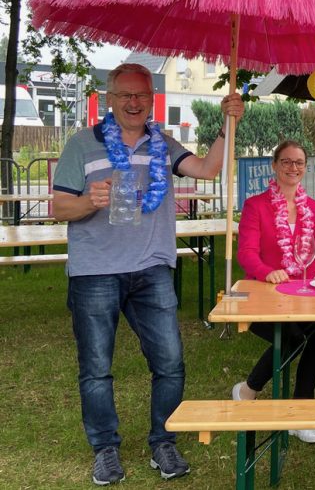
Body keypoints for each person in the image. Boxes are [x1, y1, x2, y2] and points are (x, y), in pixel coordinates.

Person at [52, 63, 243, 485]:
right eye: (126, 95)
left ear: (151, 99)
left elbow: (209, 169)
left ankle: (164, 440)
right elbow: (57, 206)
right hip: (95, 272)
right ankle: (105, 449)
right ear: (110, 100)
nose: (135, 102)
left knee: (171, 362)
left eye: (142, 95)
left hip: (152, 268)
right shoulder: (82, 144)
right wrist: (89, 201)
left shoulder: (164, 144)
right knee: (96, 368)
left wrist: (227, 125)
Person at [231, 140, 315, 444]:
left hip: (298, 295)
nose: (293, 168)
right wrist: (267, 272)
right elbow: (246, 253)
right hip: (259, 294)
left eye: (299, 162)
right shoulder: (255, 205)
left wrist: (306, 292)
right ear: (274, 166)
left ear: (305, 167)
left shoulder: (313, 209)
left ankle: (301, 410)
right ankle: (248, 389)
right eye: (286, 162)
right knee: (292, 338)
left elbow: (314, 260)